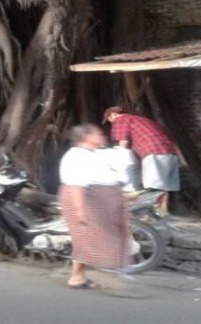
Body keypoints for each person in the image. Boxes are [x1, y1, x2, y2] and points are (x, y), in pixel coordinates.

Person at [58, 124, 139, 297]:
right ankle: (107, 274)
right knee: (101, 238)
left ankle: (77, 278)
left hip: (100, 201)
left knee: (86, 240)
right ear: (86, 136)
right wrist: (81, 212)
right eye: (98, 133)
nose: (102, 135)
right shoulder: (76, 157)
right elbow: (76, 187)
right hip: (87, 201)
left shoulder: (95, 153)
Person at [103, 106, 181, 214]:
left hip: (153, 151)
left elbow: (123, 143)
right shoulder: (142, 120)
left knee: (154, 188)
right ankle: (165, 213)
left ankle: (155, 215)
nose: (111, 123)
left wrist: (117, 159)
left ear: (112, 114)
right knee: (164, 188)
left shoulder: (121, 119)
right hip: (169, 152)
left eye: (109, 120)